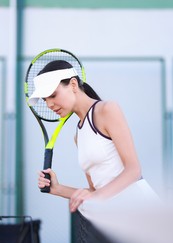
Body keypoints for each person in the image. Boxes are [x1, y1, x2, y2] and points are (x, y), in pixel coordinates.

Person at [29, 60, 158, 215]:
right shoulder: (79, 134)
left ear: (73, 84)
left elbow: (133, 170)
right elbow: (95, 191)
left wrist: (95, 197)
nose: (49, 104)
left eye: (53, 95)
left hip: (142, 210)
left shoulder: (107, 109)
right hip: (117, 218)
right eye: (45, 99)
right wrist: (57, 189)